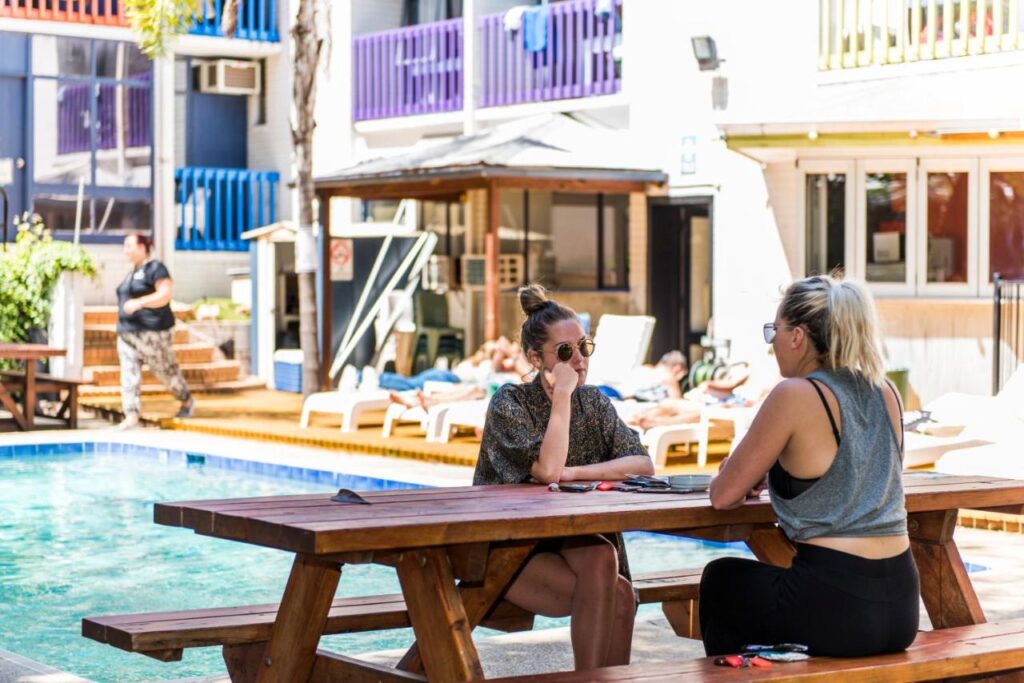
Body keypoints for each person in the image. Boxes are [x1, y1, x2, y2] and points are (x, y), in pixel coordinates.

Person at [700, 274, 919, 657]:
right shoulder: (886, 391)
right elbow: (857, 477)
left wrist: (746, 476)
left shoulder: (795, 395)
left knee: (722, 580)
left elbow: (722, 495)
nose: (773, 345)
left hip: (840, 609)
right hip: (902, 606)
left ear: (797, 336)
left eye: (775, 331)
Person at [473, 285, 654, 671]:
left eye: (583, 348)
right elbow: (548, 469)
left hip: (570, 542)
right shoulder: (510, 403)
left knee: (610, 570)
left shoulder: (595, 403)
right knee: (615, 588)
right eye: (565, 352)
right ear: (536, 357)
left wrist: (576, 473)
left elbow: (642, 463)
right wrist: (562, 399)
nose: (578, 361)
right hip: (507, 551)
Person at [116, 233, 194, 428]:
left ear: (142, 247)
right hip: (127, 333)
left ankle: (186, 399)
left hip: (153, 332)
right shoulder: (131, 272)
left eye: (129, 245)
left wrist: (140, 303)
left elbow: (165, 294)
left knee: (165, 370)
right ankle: (131, 415)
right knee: (129, 374)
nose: (125, 250)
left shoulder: (155, 268)